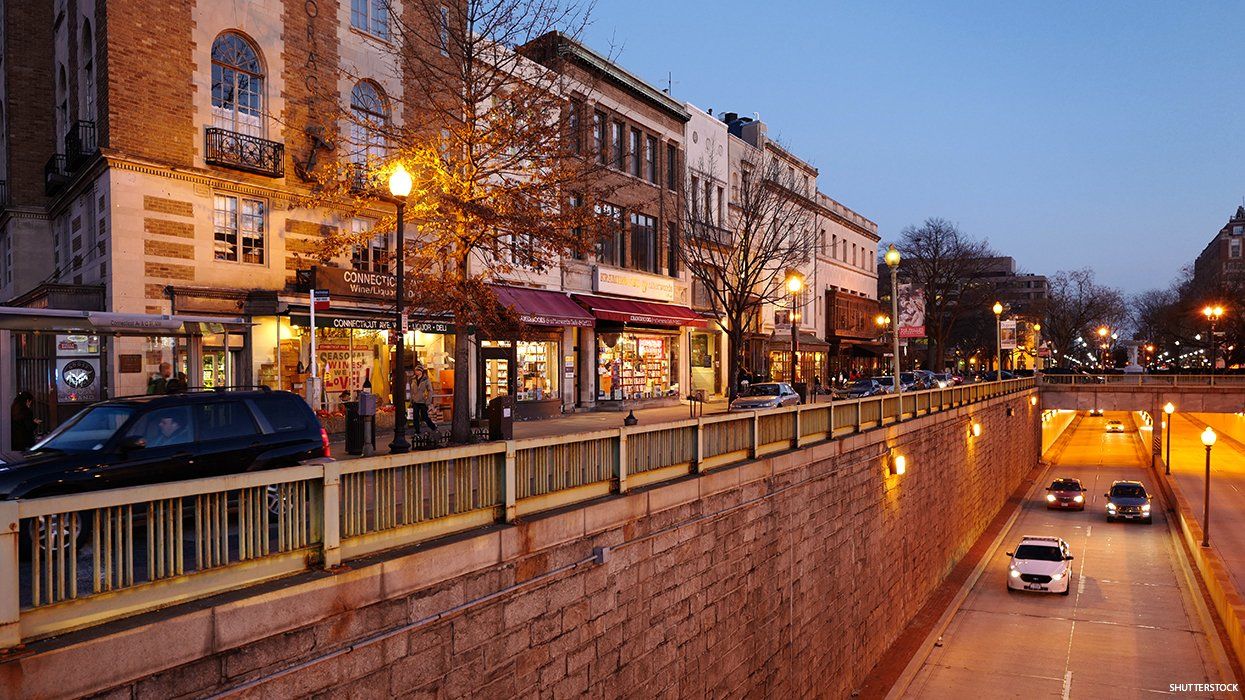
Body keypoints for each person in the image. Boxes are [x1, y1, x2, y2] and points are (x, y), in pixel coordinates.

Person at [409, 366, 438, 435]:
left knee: (424, 417)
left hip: (423, 401)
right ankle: (417, 431)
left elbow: (430, 390)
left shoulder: (426, 380)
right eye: (415, 370)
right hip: (415, 401)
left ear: (421, 371)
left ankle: (433, 427)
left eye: (417, 370)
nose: (415, 372)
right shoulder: (413, 379)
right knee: (415, 417)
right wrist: (411, 399)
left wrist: (428, 401)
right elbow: (411, 391)